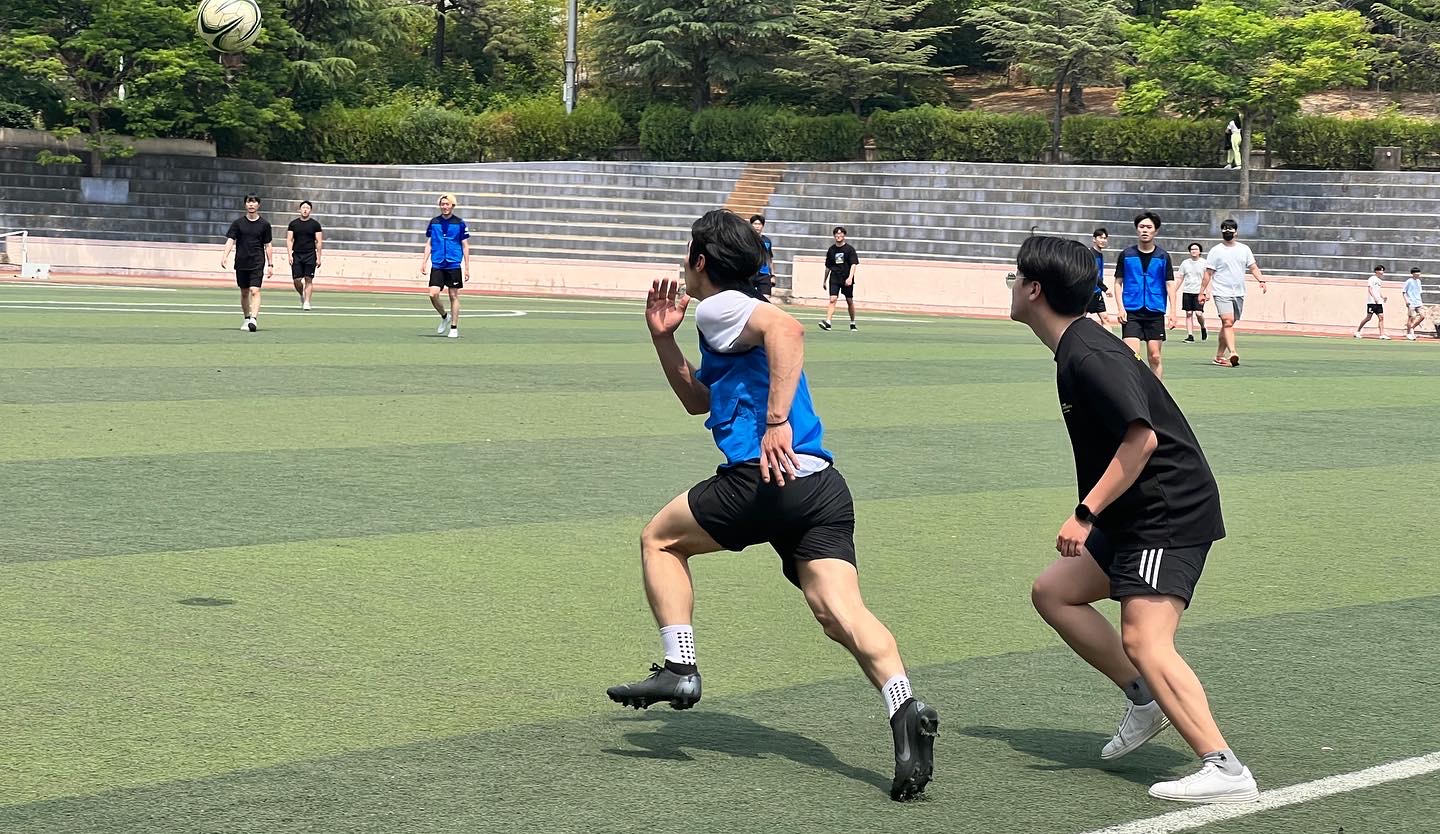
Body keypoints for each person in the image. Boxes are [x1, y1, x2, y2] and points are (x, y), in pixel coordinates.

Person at [606, 209, 937, 802]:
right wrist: (663, 339)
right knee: (840, 612)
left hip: (763, 480)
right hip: (821, 487)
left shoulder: (720, 306)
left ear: (701, 261)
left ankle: (680, 666)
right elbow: (699, 400)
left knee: (660, 539)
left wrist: (777, 421)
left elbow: (789, 330)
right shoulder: (728, 315)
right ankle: (903, 707)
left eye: (687, 254)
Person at [1007, 235, 1259, 805]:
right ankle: (1145, 699)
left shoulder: (1090, 354)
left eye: (1016, 277)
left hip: (1165, 513)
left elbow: (1141, 439)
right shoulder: (1074, 347)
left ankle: (1225, 768)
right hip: (1134, 513)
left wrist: (1084, 513)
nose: (1012, 286)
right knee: (1054, 593)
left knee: (1145, 638)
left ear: (1035, 289)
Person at [1113, 212, 1176, 380]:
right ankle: (1134, 390)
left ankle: (1157, 391)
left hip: (1155, 311)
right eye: (1141, 227)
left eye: (1149, 227)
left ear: (1156, 231)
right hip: (1132, 311)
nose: (1145, 230)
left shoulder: (1162, 256)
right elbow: (1118, 282)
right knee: (1132, 356)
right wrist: (1120, 308)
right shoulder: (1126, 255)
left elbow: (1170, 284)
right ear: (1137, 229)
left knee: (1155, 357)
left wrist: (1173, 312)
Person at [1200, 219, 1267, 367]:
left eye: (1230, 229)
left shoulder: (1244, 249)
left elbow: (1253, 267)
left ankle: (1219, 356)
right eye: (1224, 229)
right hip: (1221, 291)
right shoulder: (1216, 251)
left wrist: (1261, 280)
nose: (1227, 231)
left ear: (1236, 232)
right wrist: (1201, 291)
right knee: (1228, 322)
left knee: (1227, 325)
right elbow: (1208, 273)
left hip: (1238, 292)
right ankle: (1233, 353)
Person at [219, 193, 273, 332]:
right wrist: (225, 256)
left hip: (257, 262)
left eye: (254, 202)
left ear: (258, 205)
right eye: (249, 202)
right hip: (242, 261)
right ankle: (247, 318)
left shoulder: (265, 225)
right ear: (245, 204)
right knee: (244, 292)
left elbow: (268, 245)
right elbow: (230, 240)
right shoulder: (238, 223)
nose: (251, 204)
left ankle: (254, 319)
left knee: (255, 290)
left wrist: (270, 264)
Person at [419, 194, 470, 339]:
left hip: (453, 263)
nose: (445, 206)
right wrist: (424, 262)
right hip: (438, 263)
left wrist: (467, 268)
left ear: (452, 206)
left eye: (447, 204)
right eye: (442, 204)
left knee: (453, 296)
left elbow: (465, 246)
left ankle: (454, 327)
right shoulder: (434, 222)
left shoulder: (459, 223)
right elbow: (429, 243)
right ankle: (444, 316)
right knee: (433, 294)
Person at [820, 227, 859, 331]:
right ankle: (828, 322)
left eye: (841, 234)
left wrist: (850, 278)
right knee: (832, 299)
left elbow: (853, 264)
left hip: (846, 277)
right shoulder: (831, 250)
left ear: (844, 235)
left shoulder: (849, 249)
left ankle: (852, 322)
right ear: (834, 236)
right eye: (836, 234)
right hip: (834, 277)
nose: (838, 236)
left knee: (849, 300)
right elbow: (828, 266)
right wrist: (824, 280)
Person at [287, 200, 323, 311]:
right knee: (297, 280)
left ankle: (307, 302)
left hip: (310, 254)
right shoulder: (293, 224)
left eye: (307, 208)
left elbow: (319, 241)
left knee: (308, 278)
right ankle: (302, 294)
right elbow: (289, 240)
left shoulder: (315, 225)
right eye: (303, 208)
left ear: (310, 210)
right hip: (297, 254)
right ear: (299, 210)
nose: (305, 210)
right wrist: (289, 255)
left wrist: (319, 257)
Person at [1177, 242, 1208, 343]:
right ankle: (1190, 335)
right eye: (1192, 249)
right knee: (1189, 313)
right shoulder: (1185, 263)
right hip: (1187, 291)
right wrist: (1174, 290)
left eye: (1196, 249)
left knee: (1199, 313)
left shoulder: (1204, 263)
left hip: (1199, 292)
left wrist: (1207, 292)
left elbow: (1207, 279)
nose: (1194, 251)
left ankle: (1203, 327)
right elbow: (1180, 278)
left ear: (1200, 251)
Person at [1354, 265, 1390, 340]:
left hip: (1378, 303)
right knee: (1368, 318)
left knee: (1381, 317)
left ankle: (1382, 334)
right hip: (1371, 302)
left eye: (1383, 270)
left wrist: (1382, 297)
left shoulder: (1380, 281)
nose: (1382, 272)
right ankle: (1358, 331)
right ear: (1376, 271)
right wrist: (1374, 298)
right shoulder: (1372, 279)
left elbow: (1378, 291)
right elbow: (1370, 290)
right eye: (1381, 270)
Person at [1087, 228, 1113, 326]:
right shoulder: (1091, 254)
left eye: (1105, 238)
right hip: (1088, 293)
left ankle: (1107, 338)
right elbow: (1094, 274)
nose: (1103, 240)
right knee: (1078, 319)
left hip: (1097, 293)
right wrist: (1105, 289)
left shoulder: (1100, 254)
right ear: (1094, 239)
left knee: (1105, 319)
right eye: (1100, 237)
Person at [751, 214, 775, 299]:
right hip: (750, 273)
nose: (757, 226)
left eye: (759, 224)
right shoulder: (746, 239)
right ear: (751, 225)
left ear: (763, 226)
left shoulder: (767, 241)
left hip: (764, 274)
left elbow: (769, 259)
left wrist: (772, 275)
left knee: (766, 299)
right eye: (755, 224)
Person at [1404, 267, 1427, 341]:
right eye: (1417, 272)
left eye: (1419, 272)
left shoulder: (1419, 281)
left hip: (1418, 302)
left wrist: (1421, 302)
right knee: (1411, 317)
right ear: (1413, 273)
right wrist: (1406, 301)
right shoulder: (1409, 281)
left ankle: (1412, 328)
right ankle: (1408, 333)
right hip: (1411, 302)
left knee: (1423, 316)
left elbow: (1419, 292)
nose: (1418, 274)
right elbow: (1404, 292)